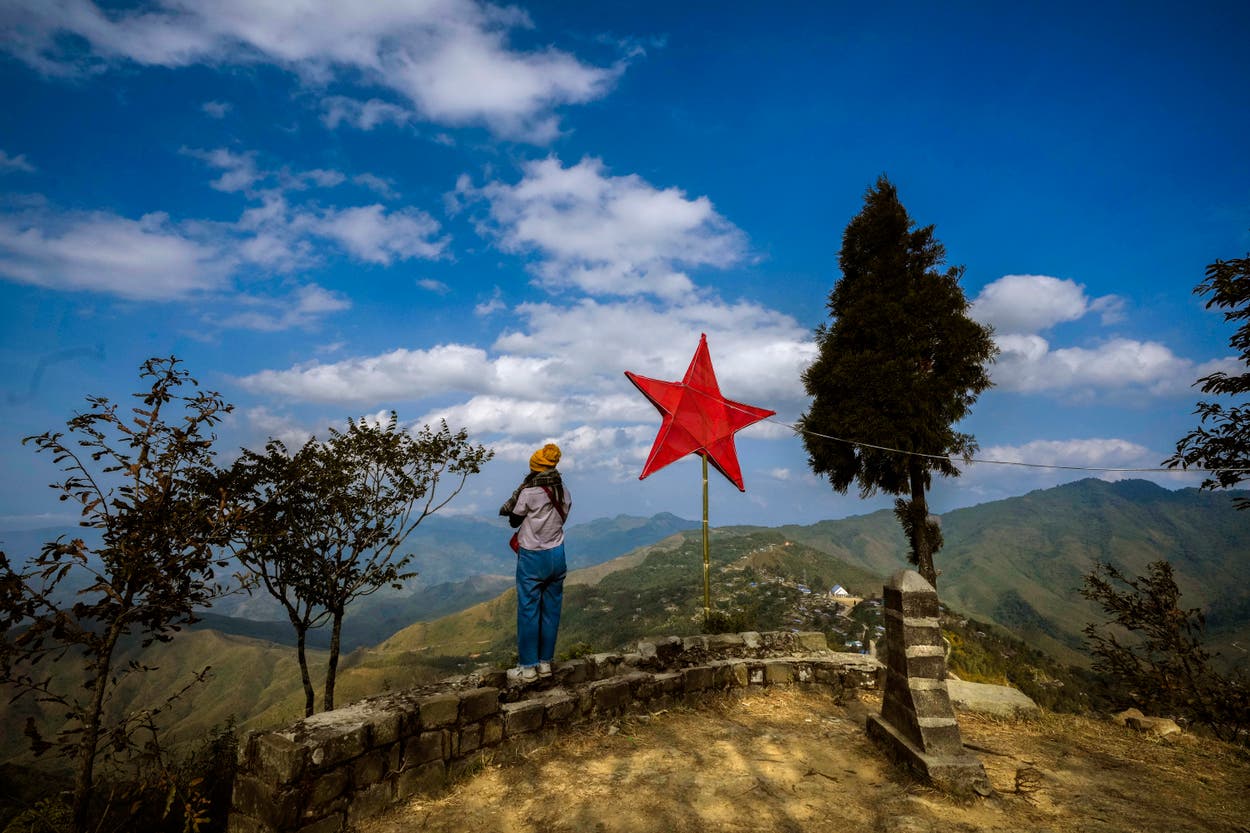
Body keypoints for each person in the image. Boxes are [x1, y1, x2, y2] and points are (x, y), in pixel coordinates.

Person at [499, 443, 571, 684]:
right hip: (558, 555)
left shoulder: (529, 493)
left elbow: (514, 520)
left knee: (529, 610)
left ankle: (528, 668)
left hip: (533, 556)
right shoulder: (564, 491)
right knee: (551, 611)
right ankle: (545, 663)